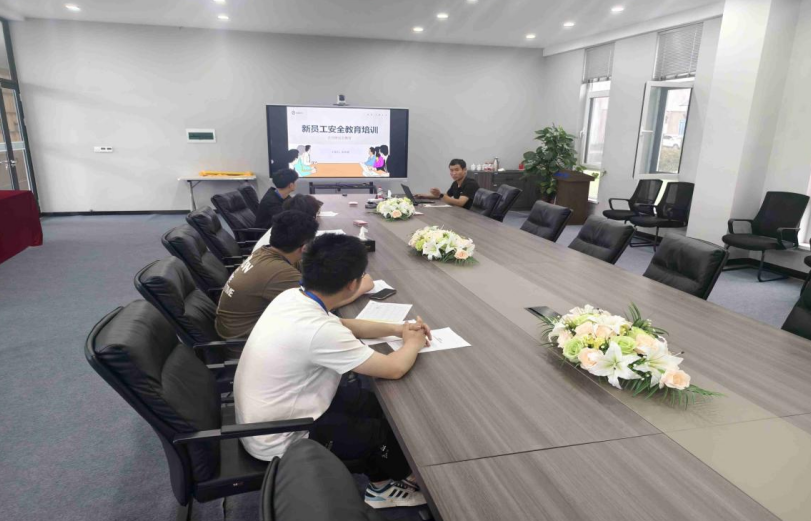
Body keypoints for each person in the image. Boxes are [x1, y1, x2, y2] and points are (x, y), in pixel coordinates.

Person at [235, 234, 431, 509]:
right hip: (282, 437)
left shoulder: (293, 296)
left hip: (271, 415)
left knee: (373, 404)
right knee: (376, 432)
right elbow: (394, 368)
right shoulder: (319, 331)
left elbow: (345, 325)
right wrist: (414, 342)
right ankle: (383, 488)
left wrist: (399, 329)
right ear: (352, 284)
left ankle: (392, 473)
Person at [217, 211, 374, 340]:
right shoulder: (279, 272)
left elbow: (311, 270)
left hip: (244, 328)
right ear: (304, 247)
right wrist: (362, 286)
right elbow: (324, 302)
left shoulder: (267, 252)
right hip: (243, 342)